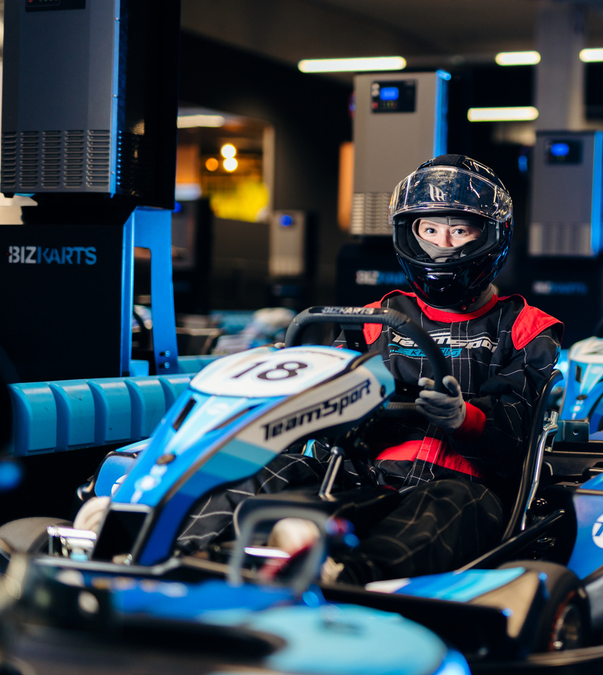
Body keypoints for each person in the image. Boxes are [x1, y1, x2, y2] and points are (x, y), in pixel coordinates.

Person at [139, 154, 562, 585]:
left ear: (490, 236)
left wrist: (463, 418)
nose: (442, 245)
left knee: (447, 503)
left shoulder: (526, 329)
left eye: (459, 230)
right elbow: (328, 399)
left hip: (465, 485)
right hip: (363, 476)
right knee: (272, 468)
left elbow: (517, 434)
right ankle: (163, 549)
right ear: (410, 235)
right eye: (430, 230)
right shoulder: (376, 317)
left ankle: (341, 577)